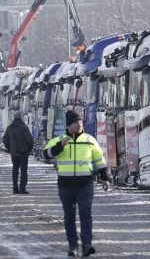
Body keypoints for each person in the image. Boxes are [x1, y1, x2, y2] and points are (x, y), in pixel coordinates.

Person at [43, 110, 110, 257]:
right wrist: (60, 145)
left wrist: (105, 178)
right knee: (69, 216)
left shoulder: (89, 140)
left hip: (85, 184)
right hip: (65, 185)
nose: (79, 125)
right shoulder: (59, 139)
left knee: (85, 213)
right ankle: (73, 245)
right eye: (76, 122)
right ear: (69, 125)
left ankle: (87, 245)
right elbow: (45, 154)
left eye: (81, 122)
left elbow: (99, 159)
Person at [3, 112, 34, 194]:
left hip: (14, 153)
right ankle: (22, 188)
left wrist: (10, 148)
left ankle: (15, 188)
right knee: (24, 170)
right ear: (21, 118)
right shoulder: (24, 128)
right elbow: (30, 140)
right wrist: (29, 150)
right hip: (23, 153)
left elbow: (5, 140)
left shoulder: (10, 128)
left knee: (15, 170)